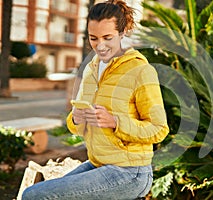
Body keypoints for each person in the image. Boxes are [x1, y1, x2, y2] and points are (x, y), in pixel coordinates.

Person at [22, 0, 169, 199]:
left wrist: (115, 122)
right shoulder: (91, 70)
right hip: (98, 163)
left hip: (130, 172)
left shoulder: (141, 71)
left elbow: (159, 129)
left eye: (108, 37)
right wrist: (76, 119)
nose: (100, 45)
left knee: (35, 195)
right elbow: (77, 128)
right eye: (94, 38)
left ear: (122, 32)